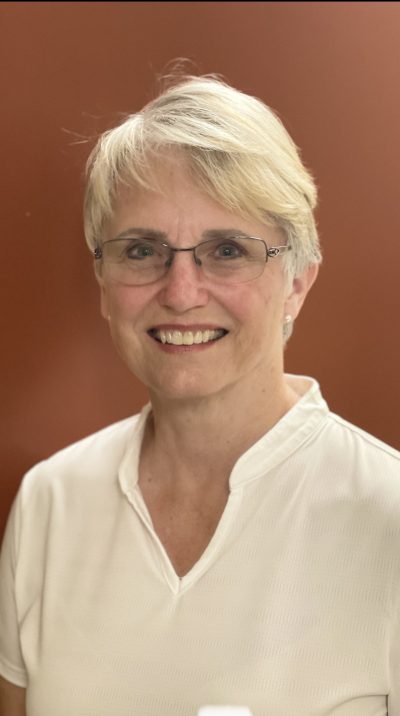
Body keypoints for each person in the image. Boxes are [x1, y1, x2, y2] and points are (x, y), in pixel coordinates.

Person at [1, 70, 400, 716]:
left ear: (297, 283)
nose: (182, 293)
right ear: (104, 284)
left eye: (228, 250)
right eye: (141, 250)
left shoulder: (387, 517)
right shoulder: (51, 503)